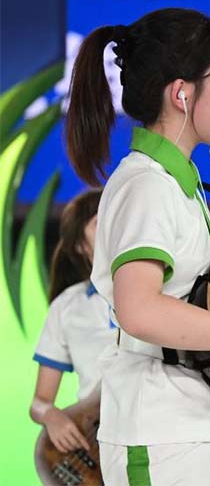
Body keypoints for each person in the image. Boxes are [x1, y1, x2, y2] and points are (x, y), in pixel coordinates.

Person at [65, 8, 210, 485]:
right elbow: (140, 310)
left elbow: (188, 296)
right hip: (165, 435)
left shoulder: (180, 182)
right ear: (182, 93)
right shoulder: (145, 185)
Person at [30, 189, 115, 453]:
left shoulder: (169, 289)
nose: (115, 224)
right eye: (100, 221)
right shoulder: (67, 307)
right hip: (97, 446)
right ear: (80, 245)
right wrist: (51, 416)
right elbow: (39, 402)